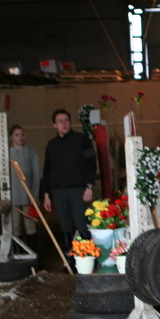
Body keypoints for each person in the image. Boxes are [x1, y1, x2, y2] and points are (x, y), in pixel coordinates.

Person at [41, 108, 96, 261]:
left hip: (78, 189)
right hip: (58, 191)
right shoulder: (51, 145)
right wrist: (46, 194)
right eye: (60, 121)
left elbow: (91, 163)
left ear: (70, 122)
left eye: (66, 120)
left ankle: (88, 259)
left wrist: (89, 186)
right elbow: (47, 170)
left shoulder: (82, 140)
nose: (64, 124)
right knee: (64, 226)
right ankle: (69, 261)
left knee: (81, 223)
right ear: (55, 125)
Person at [9, 124, 40, 251]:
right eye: (17, 135)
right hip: (13, 197)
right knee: (15, 226)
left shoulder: (31, 152)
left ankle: (32, 251)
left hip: (28, 195)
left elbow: (36, 174)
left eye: (22, 134)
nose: (20, 137)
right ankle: (18, 252)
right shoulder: (7, 154)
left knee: (30, 225)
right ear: (11, 137)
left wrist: (35, 194)